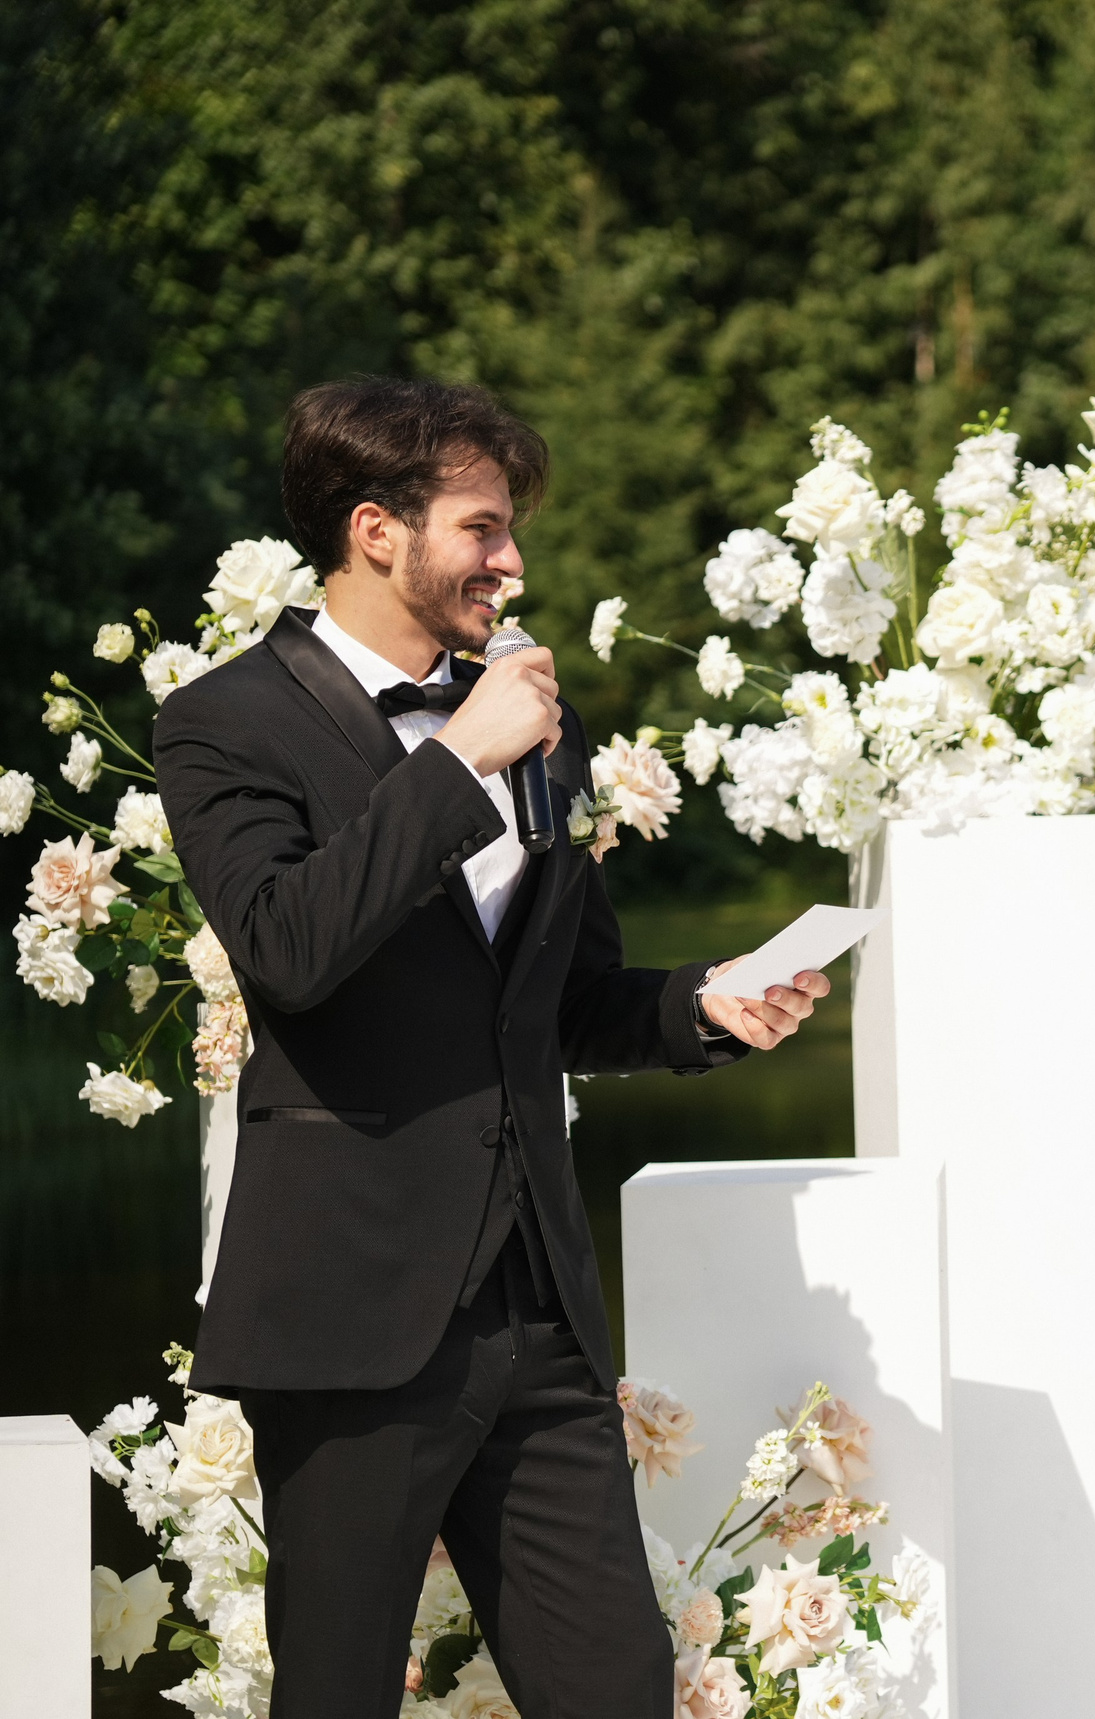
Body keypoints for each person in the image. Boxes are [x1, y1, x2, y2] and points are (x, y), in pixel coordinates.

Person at [155, 376, 831, 1719]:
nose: (512, 562)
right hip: (351, 1311)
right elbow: (289, 947)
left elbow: (561, 1001)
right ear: (374, 531)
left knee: (617, 1690)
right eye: (483, 527)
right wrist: (458, 763)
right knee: (337, 1693)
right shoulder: (223, 721)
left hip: (539, 1311)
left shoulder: (537, 727)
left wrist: (703, 1004)